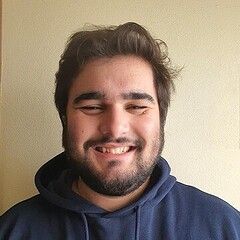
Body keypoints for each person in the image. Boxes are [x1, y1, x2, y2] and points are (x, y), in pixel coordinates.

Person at [0, 22, 239, 240]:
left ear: (161, 118)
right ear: (64, 118)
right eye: (92, 107)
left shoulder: (224, 227)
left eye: (136, 107)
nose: (115, 128)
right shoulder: (12, 230)